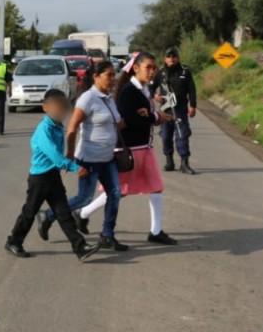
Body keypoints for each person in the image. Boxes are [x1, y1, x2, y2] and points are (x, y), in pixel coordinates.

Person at [76, 52, 178, 246]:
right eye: (148, 67)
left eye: (154, 68)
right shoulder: (129, 92)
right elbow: (131, 120)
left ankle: (155, 231)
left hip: (145, 148)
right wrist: (154, 117)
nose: (152, 71)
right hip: (131, 150)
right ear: (136, 68)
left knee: (156, 188)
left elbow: (140, 117)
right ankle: (82, 212)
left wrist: (149, 115)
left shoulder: (143, 90)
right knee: (118, 191)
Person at [37, 62, 128, 251]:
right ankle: (49, 215)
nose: (113, 79)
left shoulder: (109, 98)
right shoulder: (88, 99)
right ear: (96, 76)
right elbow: (72, 127)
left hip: (108, 158)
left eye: (114, 75)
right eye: (109, 75)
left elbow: (118, 124)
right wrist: (70, 154)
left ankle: (107, 235)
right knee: (84, 199)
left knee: (116, 193)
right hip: (89, 158)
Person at [5, 89, 101, 261]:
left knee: (63, 213)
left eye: (63, 107)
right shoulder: (44, 130)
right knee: (29, 212)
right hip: (39, 179)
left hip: (53, 177)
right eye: (56, 107)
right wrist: (74, 167)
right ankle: (14, 242)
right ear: (45, 108)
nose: (61, 111)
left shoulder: (57, 126)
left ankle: (80, 247)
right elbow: (55, 156)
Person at [152, 46, 198, 174]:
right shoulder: (160, 73)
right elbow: (150, 88)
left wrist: (193, 106)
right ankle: (169, 161)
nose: (171, 59)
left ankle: (184, 163)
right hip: (165, 110)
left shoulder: (185, 71)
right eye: (168, 57)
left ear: (177, 57)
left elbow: (192, 89)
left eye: (173, 56)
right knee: (166, 136)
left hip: (180, 109)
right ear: (165, 58)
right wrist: (154, 95)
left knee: (182, 135)